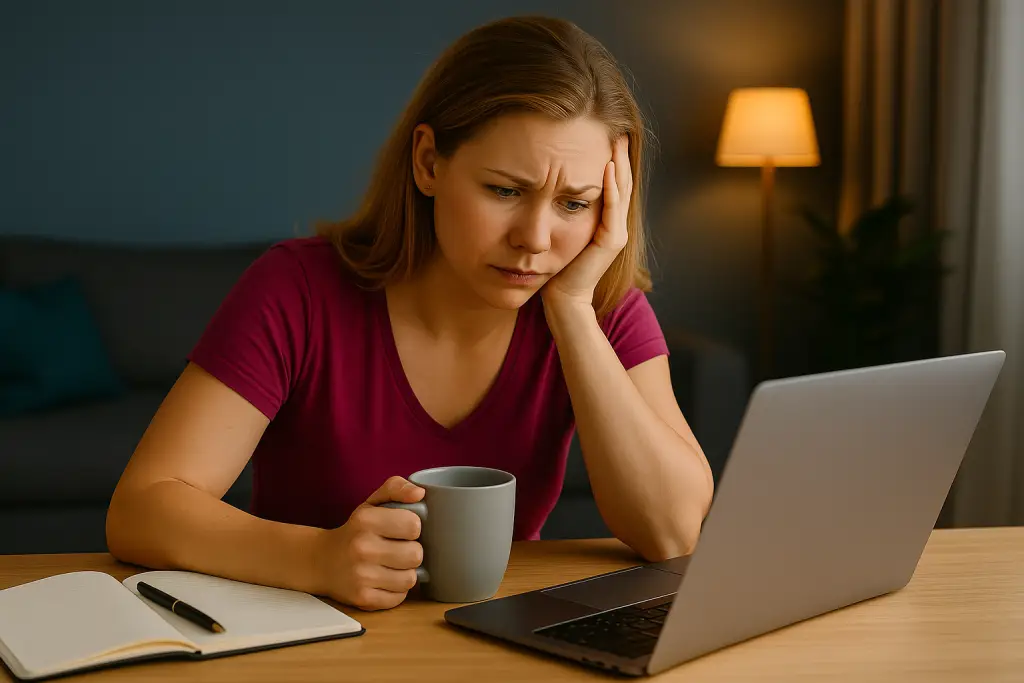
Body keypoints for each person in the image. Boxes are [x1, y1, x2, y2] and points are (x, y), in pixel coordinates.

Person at [105, 15, 714, 612]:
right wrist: (317, 558)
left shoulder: (600, 311)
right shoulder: (298, 289)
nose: (535, 237)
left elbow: (672, 534)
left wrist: (574, 314)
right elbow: (141, 508)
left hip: (491, 638)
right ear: (428, 162)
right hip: (299, 638)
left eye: (574, 203)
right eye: (505, 190)